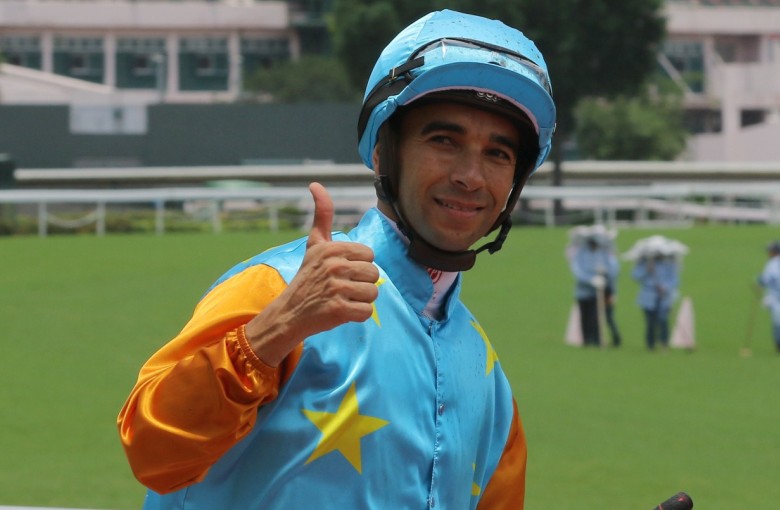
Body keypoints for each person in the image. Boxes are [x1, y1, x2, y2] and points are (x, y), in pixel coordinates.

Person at [117, 9, 556, 510]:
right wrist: (272, 332)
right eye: (444, 141)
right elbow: (151, 451)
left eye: (498, 154)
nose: (471, 176)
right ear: (383, 151)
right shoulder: (275, 288)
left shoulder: (484, 370)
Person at [567, 226, 622, 347]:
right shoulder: (581, 252)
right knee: (584, 317)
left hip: (601, 291)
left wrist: (605, 273)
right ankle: (586, 341)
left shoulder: (604, 253)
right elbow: (577, 270)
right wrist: (591, 279)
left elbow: (613, 268)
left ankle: (597, 340)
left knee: (596, 316)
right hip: (583, 291)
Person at [631, 253, 680, 350]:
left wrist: (665, 287)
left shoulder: (669, 265)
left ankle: (664, 343)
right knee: (650, 322)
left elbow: (675, 280)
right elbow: (635, 276)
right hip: (648, 296)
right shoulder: (645, 264)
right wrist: (647, 270)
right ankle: (651, 344)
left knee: (663, 320)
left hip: (664, 296)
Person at [758, 240, 780, 352]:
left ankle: (778, 345)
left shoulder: (772, 264)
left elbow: (765, 279)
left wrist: (760, 281)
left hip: (776, 298)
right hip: (775, 298)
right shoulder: (772, 263)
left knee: (777, 323)